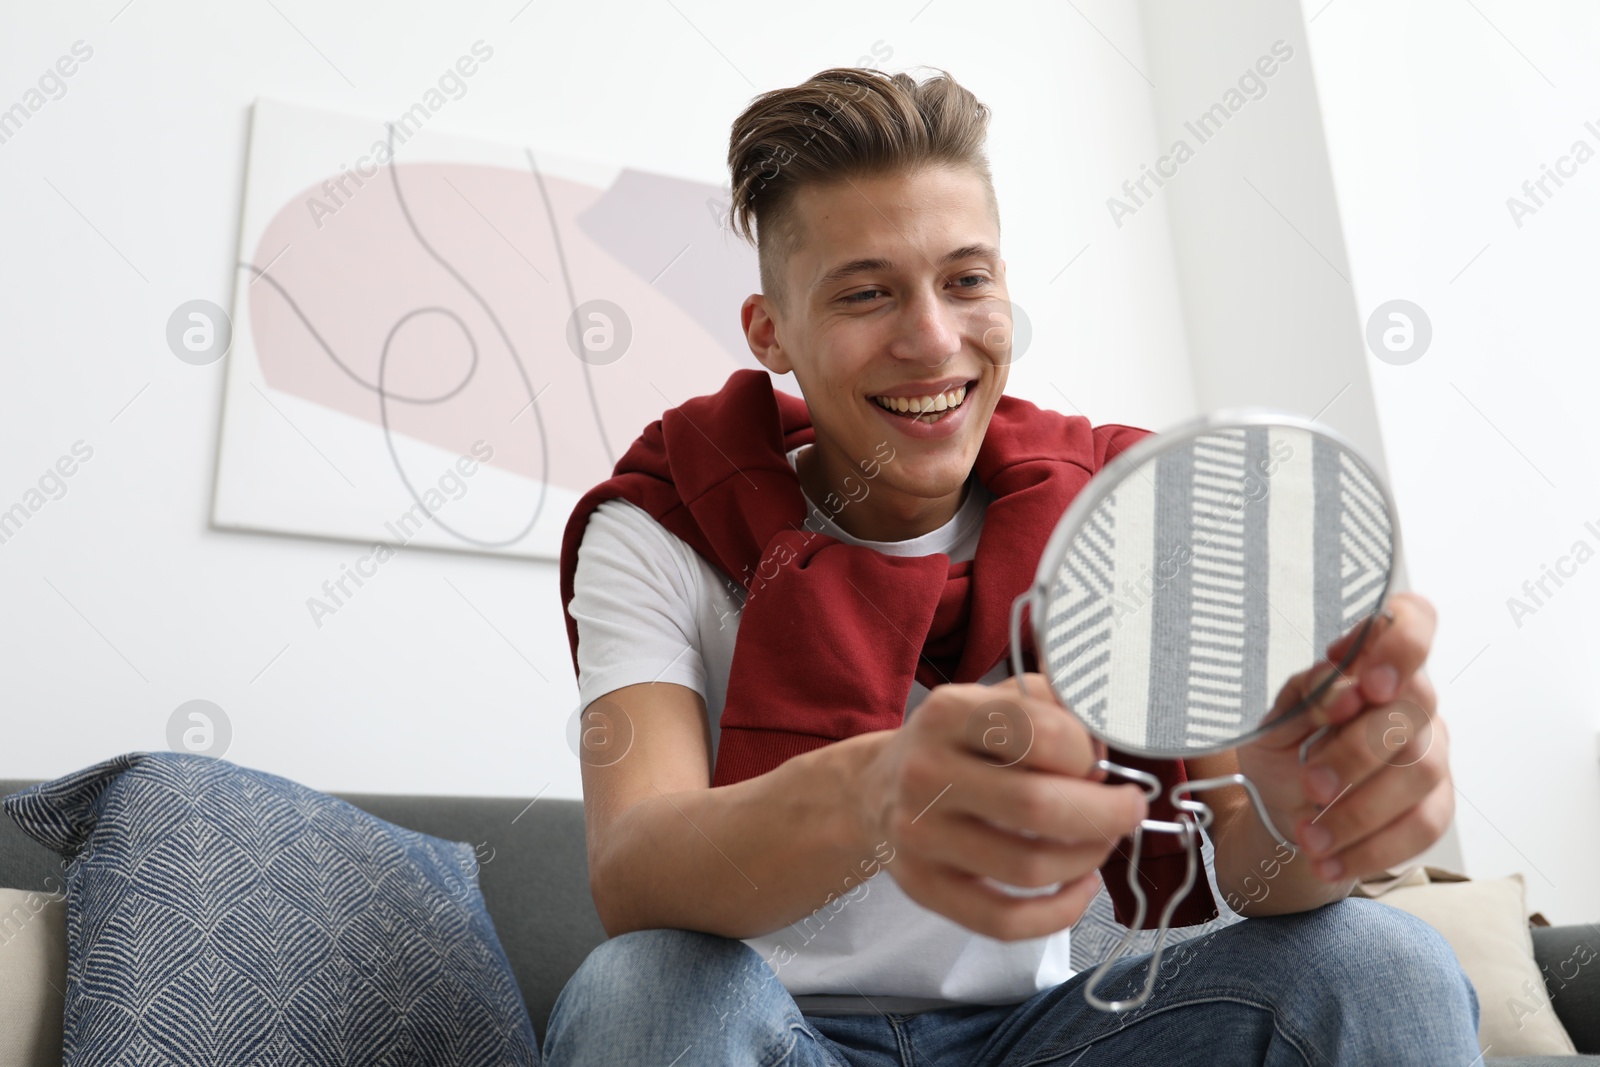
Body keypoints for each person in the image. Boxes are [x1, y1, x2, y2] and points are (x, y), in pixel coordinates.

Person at [546, 66, 1478, 1066]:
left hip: (1040, 1040)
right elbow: (633, 866)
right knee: (643, 985)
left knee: (1389, 958)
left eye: (966, 280)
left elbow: (1234, 865)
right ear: (770, 332)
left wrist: (1310, 824)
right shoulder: (665, 521)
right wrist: (878, 789)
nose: (932, 338)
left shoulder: (1110, 511)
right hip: (772, 1029)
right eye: (866, 292)